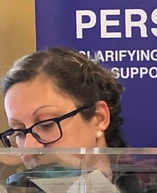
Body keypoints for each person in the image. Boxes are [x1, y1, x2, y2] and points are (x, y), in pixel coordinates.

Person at [0, 47, 139, 192]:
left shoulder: (154, 184)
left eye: (47, 125)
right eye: (19, 133)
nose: (28, 150)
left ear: (99, 118)